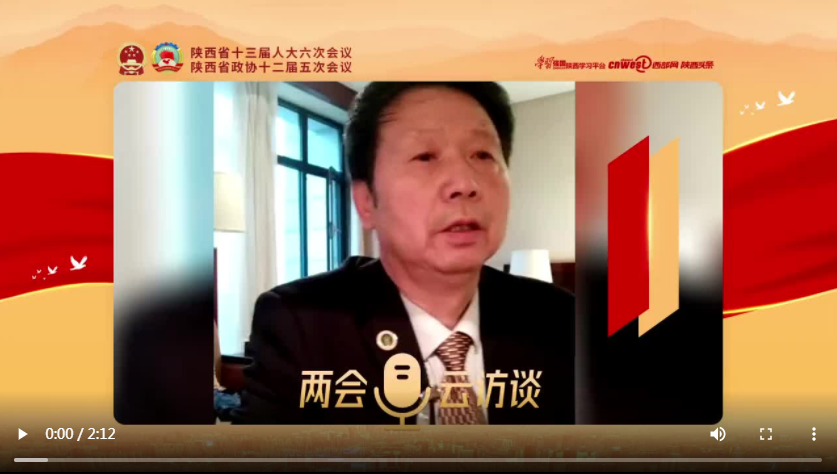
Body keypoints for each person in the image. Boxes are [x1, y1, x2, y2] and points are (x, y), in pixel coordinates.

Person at [233, 82, 574, 425]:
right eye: (425, 156)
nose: (464, 183)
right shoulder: (300, 322)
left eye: (482, 155)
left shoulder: (561, 319)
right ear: (366, 202)